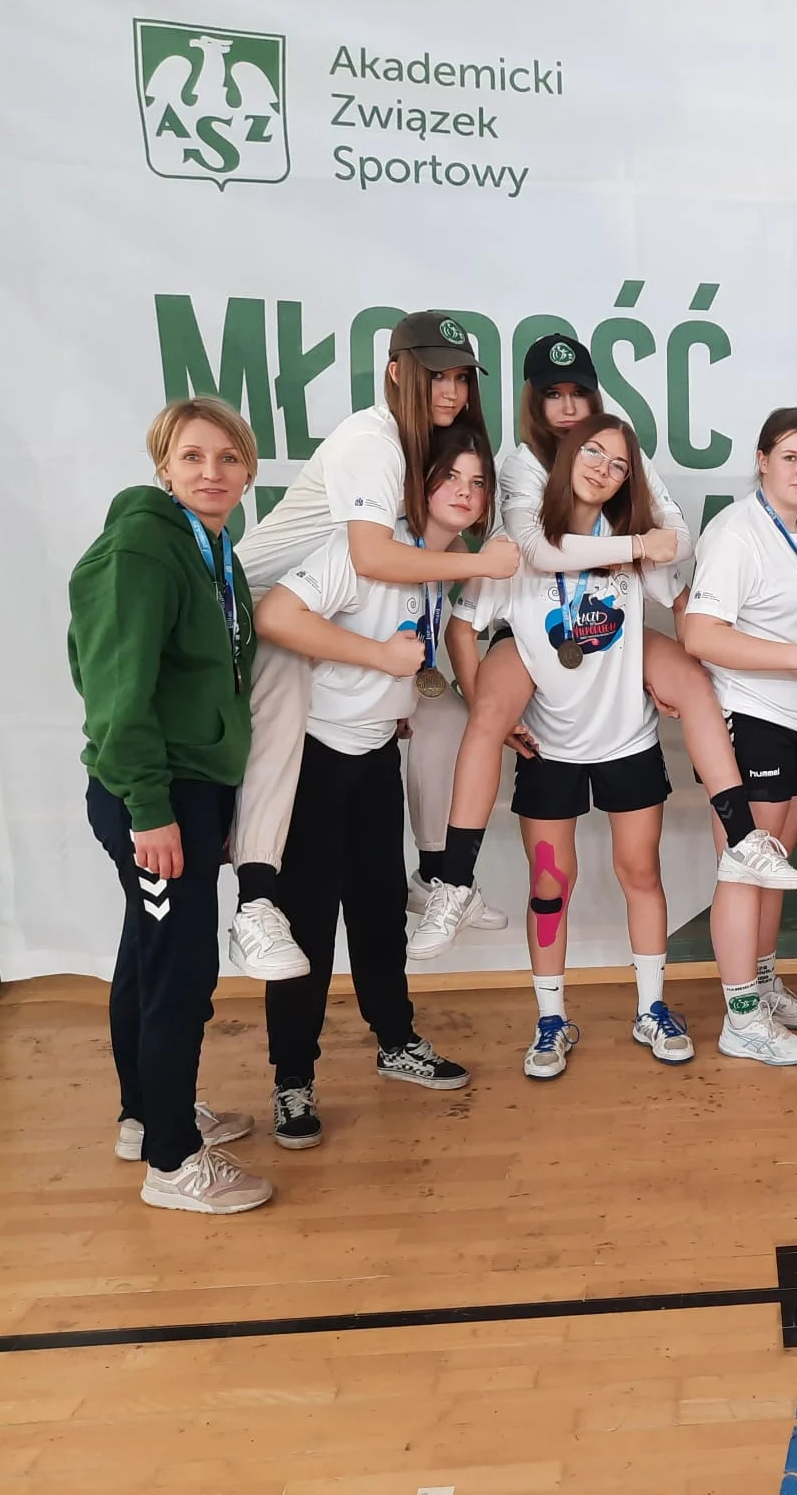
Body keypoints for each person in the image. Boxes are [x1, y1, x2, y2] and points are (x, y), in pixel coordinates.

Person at [410, 334, 797, 960]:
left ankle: (742, 839)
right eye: (553, 395)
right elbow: (538, 551)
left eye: (579, 394)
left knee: (692, 686)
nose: (569, 408)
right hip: (536, 639)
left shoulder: (621, 471)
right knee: (491, 723)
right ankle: (453, 881)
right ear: (533, 402)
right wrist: (635, 546)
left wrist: (680, 641)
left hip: (613, 642)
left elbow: (675, 545)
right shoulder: (522, 469)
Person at [225, 310, 521, 979]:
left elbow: (419, 559)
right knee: (284, 718)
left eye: (460, 378)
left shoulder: (423, 446)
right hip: (259, 607)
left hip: (330, 608)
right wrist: (481, 564)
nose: (450, 391)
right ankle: (254, 902)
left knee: (443, 716)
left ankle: (436, 874)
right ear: (395, 372)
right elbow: (372, 555)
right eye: (434, 376)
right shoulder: (373, 440)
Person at [250, 426, 487, 1145]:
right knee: (307, 928)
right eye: (450, 478)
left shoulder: (441, 568)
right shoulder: (360, 551)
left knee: (380, 913)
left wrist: (399, 694)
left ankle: (396, 1042)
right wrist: (381, 660)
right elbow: (275, 615)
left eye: (478, 483)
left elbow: (416, 650)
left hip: (377, 752)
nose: (465, 492)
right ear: (418, 486)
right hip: (316, 759)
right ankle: (293, 1082)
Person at [446, 415, 696, 1077]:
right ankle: (551, 1019)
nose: (603, 470)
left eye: (619, 464)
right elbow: (461, 626)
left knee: (641, 874)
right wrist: (483, 703)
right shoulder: (517, 546)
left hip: (628, 740)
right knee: (550, 886)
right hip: (549, 748)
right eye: (592, 453)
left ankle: (651, 1009)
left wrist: (670, 672)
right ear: (563, 459)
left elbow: (680, 598)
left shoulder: (631, 540)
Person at [69, 396, 271, 1214]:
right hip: (155, 794)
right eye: (192, 457)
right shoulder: (143, 549)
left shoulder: (211, 548)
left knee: (150, 956)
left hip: (191, 788)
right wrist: (151, 809)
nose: (211, 472)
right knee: (180, 970)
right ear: (164, 467)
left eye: (228, 458)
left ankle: (146, 1114)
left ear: (248, 471)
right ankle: (172, 1161)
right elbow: (117, 695)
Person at [681, 408, 797, 1064]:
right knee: (743, 868)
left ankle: (763, 984)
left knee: (773, 864)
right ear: (761, 460)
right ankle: (742, 1018)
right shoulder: (736, 532)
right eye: (790, 457)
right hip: (750, 716)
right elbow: (700, 636)